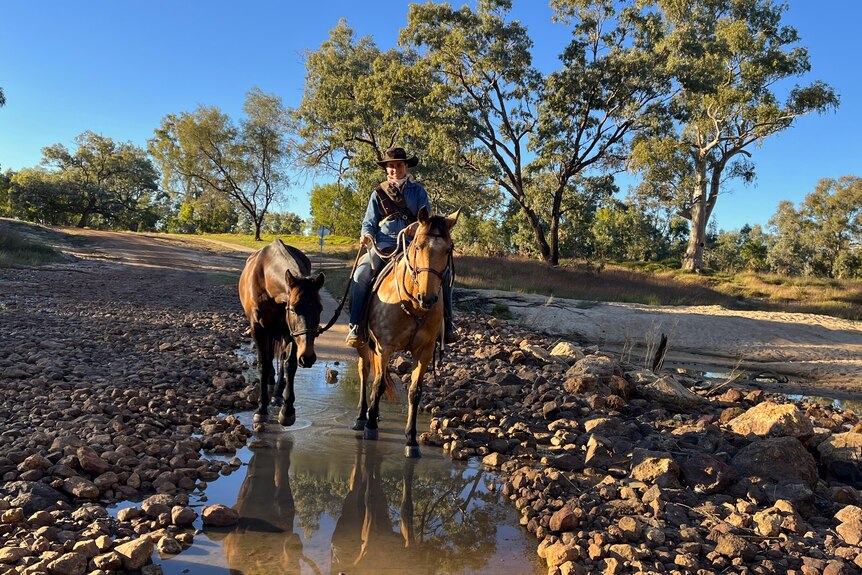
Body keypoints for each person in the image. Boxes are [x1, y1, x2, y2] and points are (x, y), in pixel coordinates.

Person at [345, 147, 458, 347]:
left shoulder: (418, 191)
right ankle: (356, 326)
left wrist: (417, 226)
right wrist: (367, 234)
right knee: (360, 275)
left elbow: (428, 221)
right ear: (386, 169)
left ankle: (448, 324)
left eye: (398, 165)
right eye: (391, 166)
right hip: (384, 243)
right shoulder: (378, 193)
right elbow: (368, 222)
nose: (395, 169)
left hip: (415, 244)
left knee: (445, 274)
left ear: (405, 166)